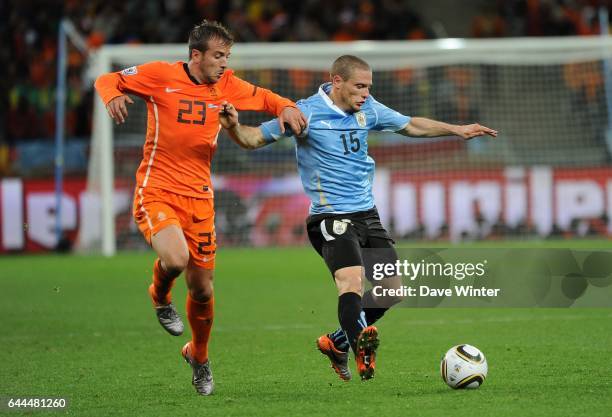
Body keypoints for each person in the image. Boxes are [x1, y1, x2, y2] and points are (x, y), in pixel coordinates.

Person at [216, 55, 497, 381]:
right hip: (329, 218)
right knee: (350, 282)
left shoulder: (370, 109)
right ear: (337, 82)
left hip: (367, 214)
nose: (365, 93)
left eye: (368, 87)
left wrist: (457, 130)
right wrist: (234, 126)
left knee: (391, 290)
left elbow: (409, 124)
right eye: (359, 86)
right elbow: (253, 139)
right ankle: (362, 350)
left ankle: (336, 343)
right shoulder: (305, 112)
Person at [94, 20, 307, 396]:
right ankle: (159, 296)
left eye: (228, 56)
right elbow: (107, 78)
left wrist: (287, 107)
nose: (225, 63)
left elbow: (267, 98)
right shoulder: (159, 75)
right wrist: (112, 96)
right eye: (219, 56)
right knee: (175, 259)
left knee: (203, 289)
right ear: (196, 55)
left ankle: (199, 355)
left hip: (199, 197)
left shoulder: (226, 85)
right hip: (157, 188)